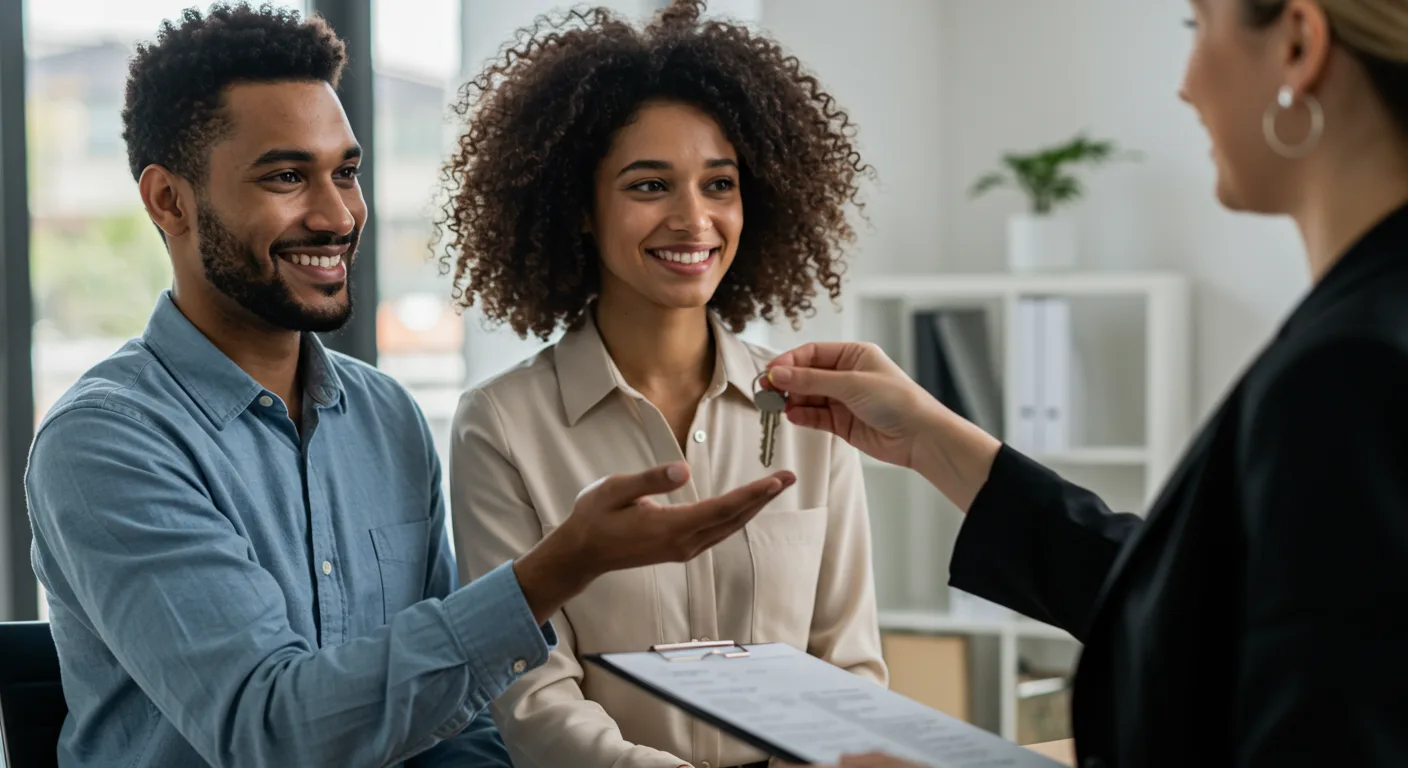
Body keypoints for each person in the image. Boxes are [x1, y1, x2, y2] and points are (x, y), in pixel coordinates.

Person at [23, 5, 794, 767]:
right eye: (287, 176)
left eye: (346, 173)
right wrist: (556, 569)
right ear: (169, 201)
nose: (337, 214)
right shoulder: (107, 442)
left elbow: (449, 723)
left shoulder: (383, 416)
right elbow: (271, 734)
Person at [764, 1, 1408, 766]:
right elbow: (1204, 610)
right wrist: (936, 440)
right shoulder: (1364, 329)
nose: (1185, 84)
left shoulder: (1349, 368)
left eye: (1196, 27)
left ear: (1299, 44)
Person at [438, 2, 886, 767]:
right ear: (580, 208)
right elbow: (536, 702)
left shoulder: (809, 406)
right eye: (650, 186)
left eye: (720, 184)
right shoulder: (501, 426)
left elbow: (850, 665)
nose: (694, 219)